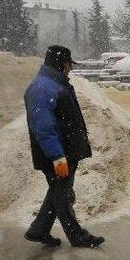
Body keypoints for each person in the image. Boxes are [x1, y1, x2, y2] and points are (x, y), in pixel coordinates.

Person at [23, 45, 105, 248]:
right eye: (69, 64)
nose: (71, 68)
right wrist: (56, 156)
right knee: (63, 195)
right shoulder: (43, 87)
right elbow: (42, 126)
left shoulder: (53, 83)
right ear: (61, 63)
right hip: (58, 155)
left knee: (58, 192)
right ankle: (78, 237)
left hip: (64, 151)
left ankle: (38, 230)